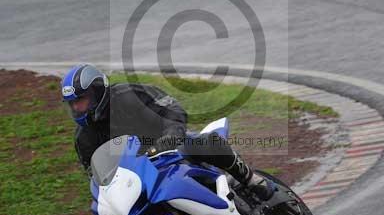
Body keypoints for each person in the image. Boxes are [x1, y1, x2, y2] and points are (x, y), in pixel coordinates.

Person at [61, 63, 273, 200]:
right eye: (72, 104)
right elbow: (96, 176)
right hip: (139, 177)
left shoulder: (129, 94)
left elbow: (171, 108)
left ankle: (250, 179)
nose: (77, 108)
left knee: (207, 142)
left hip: (169, 148)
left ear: (98, 92)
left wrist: (172, 132)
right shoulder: (83, 139)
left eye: (81, 100)